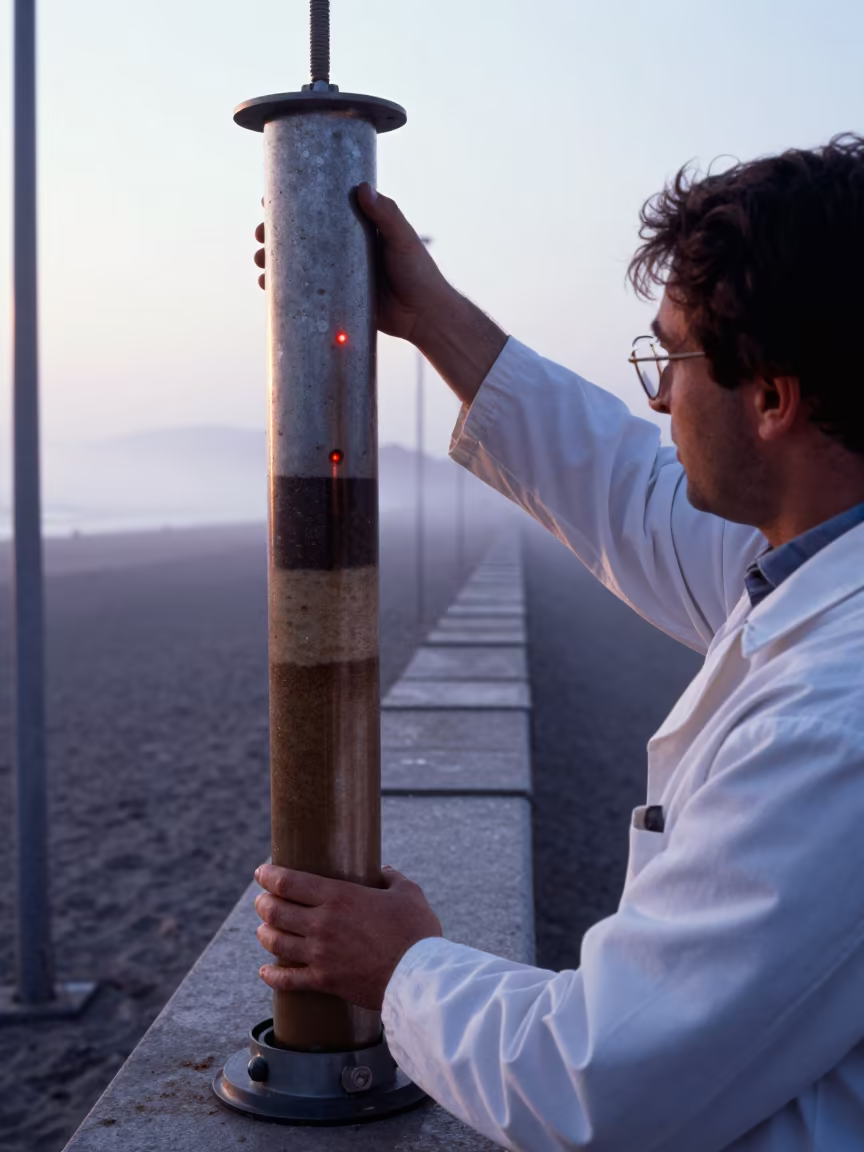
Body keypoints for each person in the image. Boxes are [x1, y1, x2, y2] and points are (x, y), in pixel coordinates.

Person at [251, 135, 864, 1151]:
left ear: (770, 397)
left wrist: (402, 967)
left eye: (670, 358)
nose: (656, 397)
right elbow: (629, 491)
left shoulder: (834, 718)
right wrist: (427, 314)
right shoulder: (810, 567)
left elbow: (604, 1084)